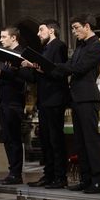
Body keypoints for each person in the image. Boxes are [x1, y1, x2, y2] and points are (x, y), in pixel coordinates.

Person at [24, 14, 100, 193]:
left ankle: (98, 180)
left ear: (87, 26)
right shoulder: (80, 46)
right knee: (80, 141)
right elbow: (70, 63)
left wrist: (49, 66)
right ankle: (86, 179)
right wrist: (44, 67)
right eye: (73, 28)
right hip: (76, 97)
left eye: (76, 27)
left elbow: (79, 68)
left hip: (87, 97)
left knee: (91, 140)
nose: (74, 32)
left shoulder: (97, 46)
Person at [18, 20, 70, 189]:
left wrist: (39, 67)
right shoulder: (46, 49)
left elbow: (60, 72)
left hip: (55, 98)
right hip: (45, 99)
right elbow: (35, 78)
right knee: (46, 140)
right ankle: (49, 175)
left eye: (41, 30)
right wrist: (25, 66)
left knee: (56, 139)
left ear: (52, 30)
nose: (38, 34)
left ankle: (60, 177)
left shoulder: (59, 46)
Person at [0, 26, 27, 185]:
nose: (1, 40)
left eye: (3, 37)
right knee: (8, 139)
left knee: (14, 138)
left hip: (15, 102)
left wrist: (1, 73)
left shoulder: (21, 54)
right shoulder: (6, 56)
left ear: (13, 38)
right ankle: (12, 172)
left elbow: (21, 79)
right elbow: (4, 81)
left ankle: (16, 174)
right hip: (5, 101)